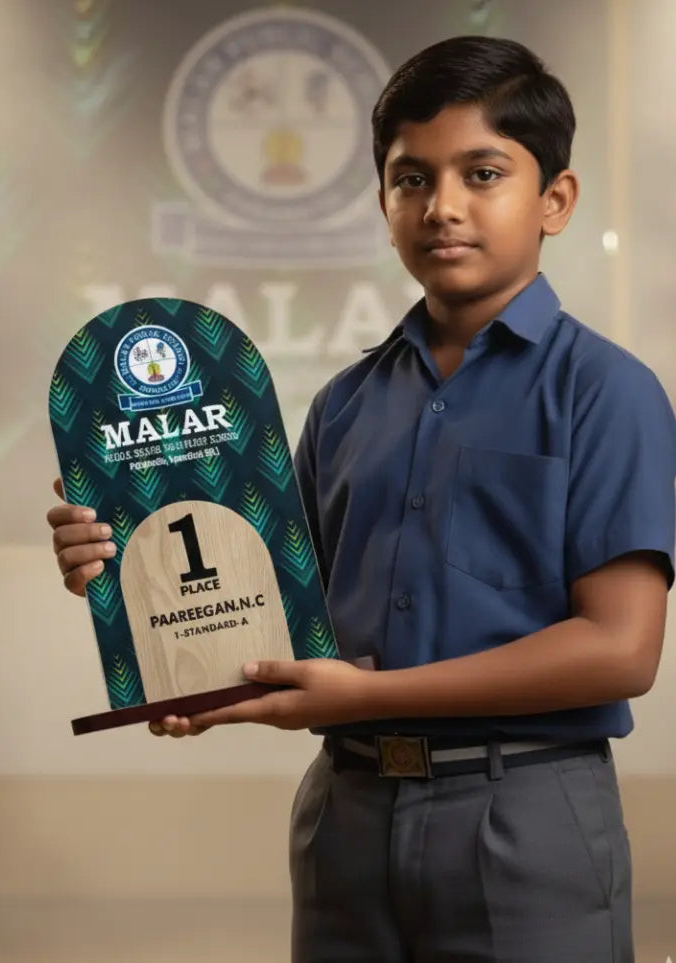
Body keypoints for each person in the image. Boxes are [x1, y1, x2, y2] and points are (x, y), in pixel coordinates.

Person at [48, 35, 676, 963]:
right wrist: (134, 586)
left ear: (556, 199)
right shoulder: (342, 403)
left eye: (484, 172)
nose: (443, 206)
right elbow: (277, 618)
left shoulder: (605, 390)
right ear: (383, 203)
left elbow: (621, 650)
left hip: (526, 817)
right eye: (411, 178)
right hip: (344, 819)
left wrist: (372, 693)